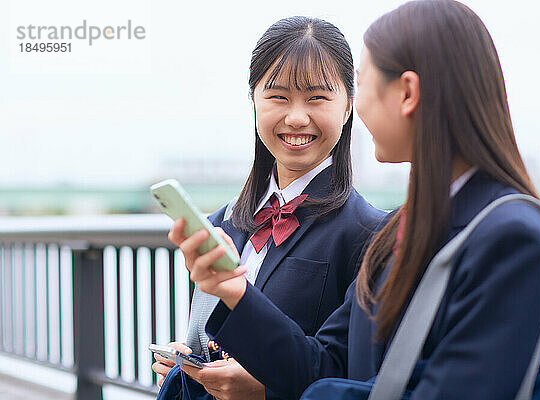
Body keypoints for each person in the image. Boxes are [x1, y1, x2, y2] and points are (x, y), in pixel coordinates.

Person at [170, 1, 540, 399]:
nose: (299, 117)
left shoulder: (507, 234)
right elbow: (334, 364)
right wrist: (231, 295)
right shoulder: (406, 227)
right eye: (278, 97)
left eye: (363, 82)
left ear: (407, 93)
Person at [154, 16, 387, 400]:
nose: (296, 117)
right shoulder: (221, 224)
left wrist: (266, 390)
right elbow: (212, 343)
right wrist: (187, 365)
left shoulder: (367, 234)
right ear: (254, 102)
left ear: (348, 106)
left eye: (317, 98)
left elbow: (351, 374)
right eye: (278, 97)